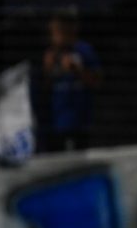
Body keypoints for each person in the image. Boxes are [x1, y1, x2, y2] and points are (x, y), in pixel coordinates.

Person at [40, 9, 101, 152]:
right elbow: (43, 90)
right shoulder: (49, 54)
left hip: (81, 122)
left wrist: (76, 70)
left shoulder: (84, 50)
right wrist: (47, 71)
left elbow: (97, 81)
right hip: (56, 124)